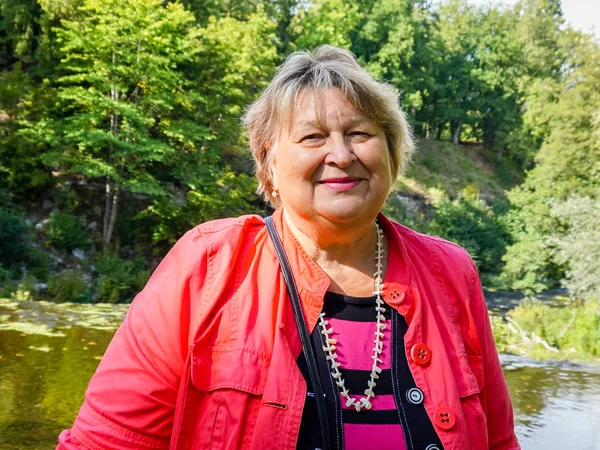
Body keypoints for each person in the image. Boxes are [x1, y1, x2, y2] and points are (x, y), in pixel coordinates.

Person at [57, 45, 520, 450]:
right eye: (312, 137)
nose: (341, 154)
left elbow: (499, 441)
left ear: (391, 152)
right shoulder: (207, 266)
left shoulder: (450, 272)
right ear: (269, 163)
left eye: (359, 133)